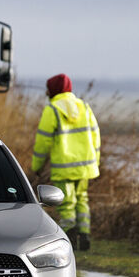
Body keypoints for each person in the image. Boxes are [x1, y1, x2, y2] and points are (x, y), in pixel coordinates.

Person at [31, 74, 100, 251]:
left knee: (66, 203)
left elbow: (42, 142)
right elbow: (95, 136)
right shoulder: (84, 106)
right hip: (86, 166)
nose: (46, 92)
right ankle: (84, 235)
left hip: (64, 166)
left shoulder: (52, 109)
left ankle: (69, 235)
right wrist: (95, 162)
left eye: (48, 88)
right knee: (82, 200)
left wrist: (36, 167)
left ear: (53, 90)